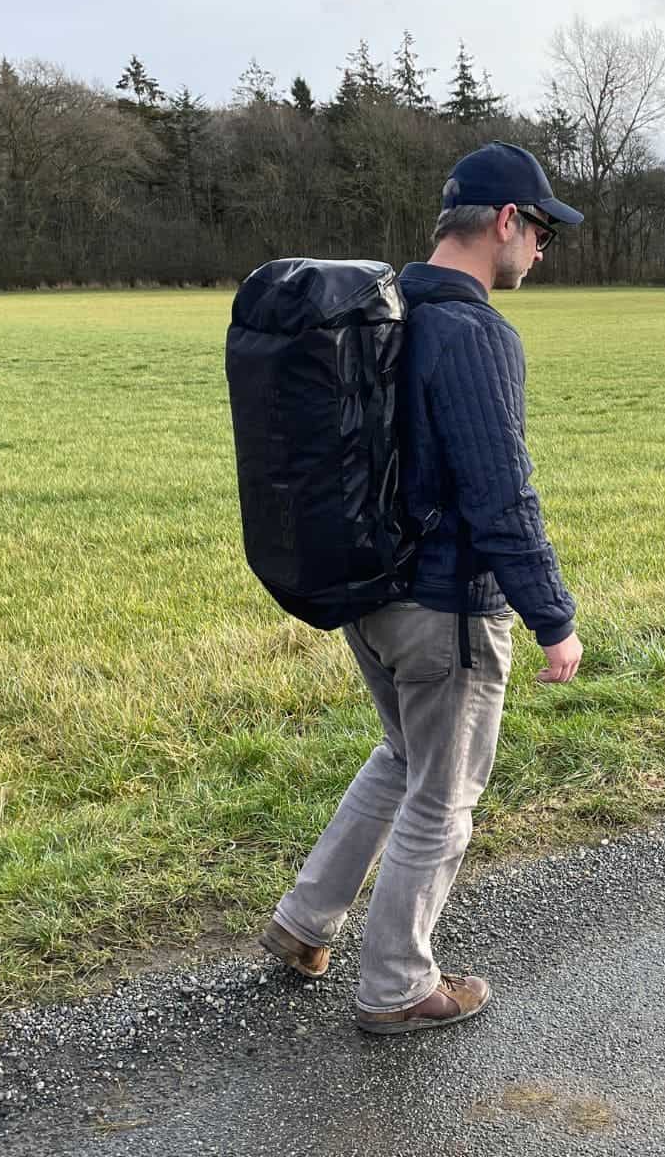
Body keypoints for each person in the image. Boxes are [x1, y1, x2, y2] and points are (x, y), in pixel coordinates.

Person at [259, 141, 585, 1035]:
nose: (545, 251)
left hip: (370, 594)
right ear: (507, 223)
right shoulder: (472, 330)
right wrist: (552, 616)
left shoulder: (385, 316)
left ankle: (302, 923)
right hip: (446, 610)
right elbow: (499, 489)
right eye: (544, 229)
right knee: (443, 793)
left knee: (404, 758)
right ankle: (398, 985)